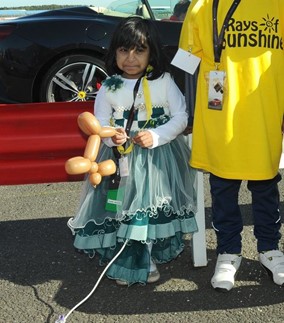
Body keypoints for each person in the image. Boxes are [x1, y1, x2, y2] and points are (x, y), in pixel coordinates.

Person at [68, 16, 198, 286]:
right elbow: (99, 124)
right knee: (122, 208)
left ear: (152, 52)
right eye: (124, 50)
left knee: (146, 209)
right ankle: (130, 255)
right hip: (120, 160)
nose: (130, 57)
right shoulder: (109, 88)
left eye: (139, 50)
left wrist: (156, 135)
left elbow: (181, 116)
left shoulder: (163, 81)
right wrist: (111, 138)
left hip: (159, 159)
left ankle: (143, 257)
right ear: (114, 52)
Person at [179, 0, 284, 292]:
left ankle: (270, 249)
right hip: (220, 118)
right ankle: (228, 252)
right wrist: (185, 113)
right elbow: (186, 64)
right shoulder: (201, 5)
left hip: (265, 115)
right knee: (223, 187)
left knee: (265, 186)